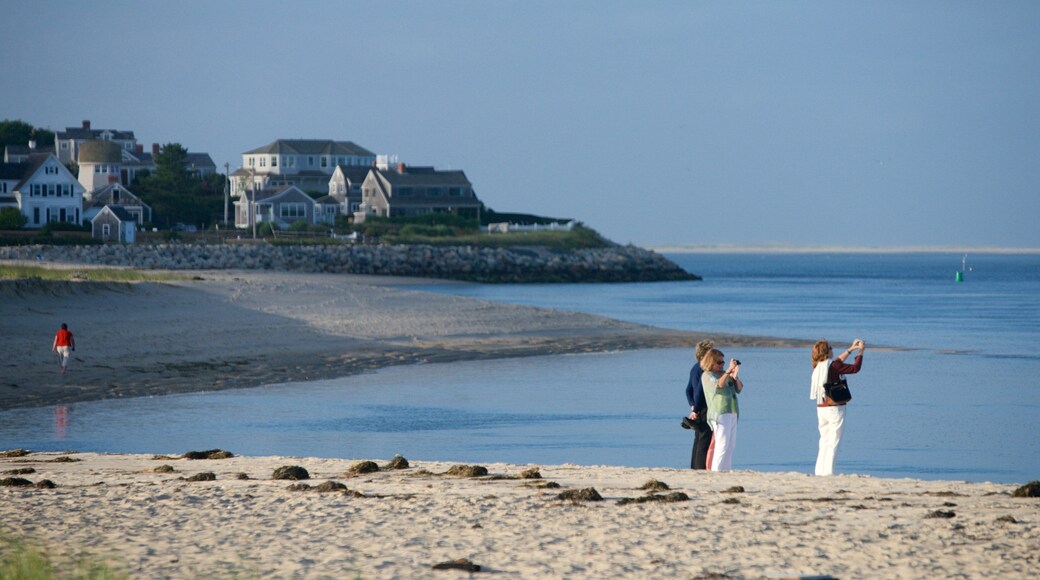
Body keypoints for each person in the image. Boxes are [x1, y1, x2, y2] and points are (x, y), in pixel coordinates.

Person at [810, 338, 865, 476]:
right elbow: (855, 368)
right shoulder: (833, 366)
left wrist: (850, 350)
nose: (833, 350)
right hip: (834, 408)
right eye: (830, 348)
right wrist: (860, 352)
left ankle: (819, 472)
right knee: (833, 442)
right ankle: (828, 473)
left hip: (821, 408)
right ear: (827, 352)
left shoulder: (818, 367)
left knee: (824, 441)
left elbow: (837, 362)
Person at [700, 348, 743, 472]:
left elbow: (739, 389)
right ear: (710, 362)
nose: (722, 365)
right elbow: (718, 385)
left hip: (733, 411)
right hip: (720, 412)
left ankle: (726, 471)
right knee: (722, 444)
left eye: (723, 362)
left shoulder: (725, 374)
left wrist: (735, 376)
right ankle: (716, 471)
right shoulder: (707, 375)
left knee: (730, 445)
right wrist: (728, 371)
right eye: (719, 362)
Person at [684, 340, 715, 469]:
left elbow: (688, 390)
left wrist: (692, 405)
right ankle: (700, 468)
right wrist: (695, 409)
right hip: (704, 408)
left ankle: (694, 467)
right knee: (704, 438)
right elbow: (699, 392)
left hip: (698, 407)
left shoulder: (694, 368)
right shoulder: (703, 369)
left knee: (698, 439)